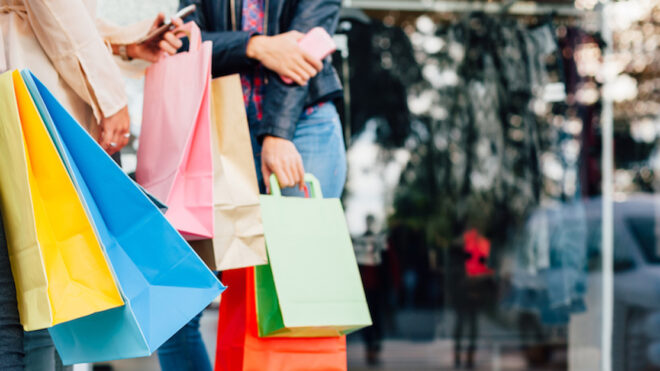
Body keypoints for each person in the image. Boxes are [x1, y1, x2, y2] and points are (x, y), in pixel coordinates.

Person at [155, 0, 346, 370]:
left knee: (298, 299)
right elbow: (183, 43)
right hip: (220, 132)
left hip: (303, 127)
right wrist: (255, 45)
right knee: (172, 305)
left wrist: (277, 133)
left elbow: (305, 49)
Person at [0, 1, 182, 369]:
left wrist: (125, 41)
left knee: (30, 298)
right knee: (33, 306)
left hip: (18, 96)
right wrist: (109, 98)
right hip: (25, 105)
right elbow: (56, 10)